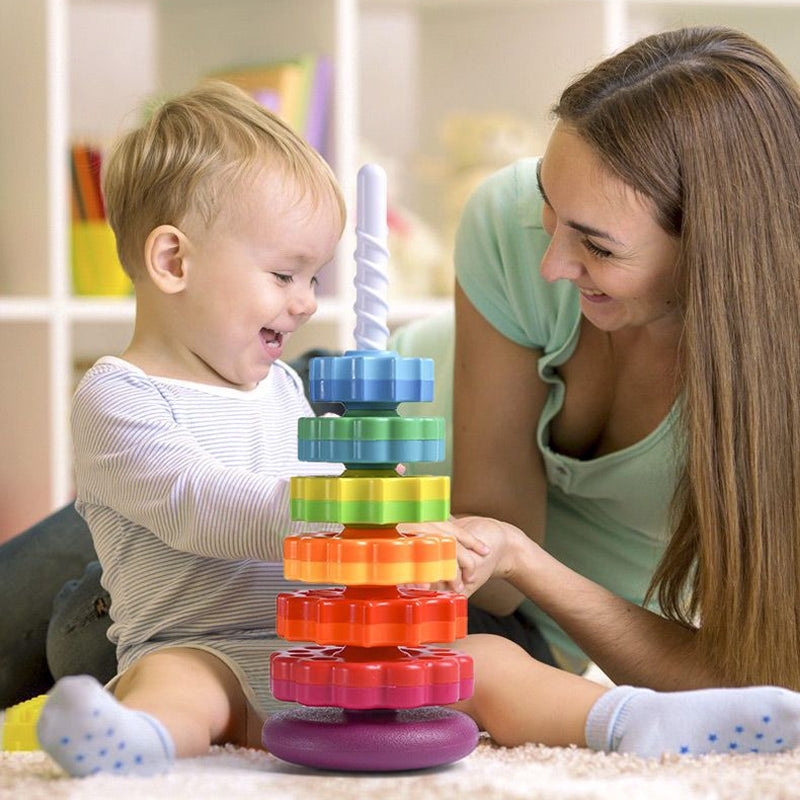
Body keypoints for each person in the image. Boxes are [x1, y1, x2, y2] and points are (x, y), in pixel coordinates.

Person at [396, 24, 800, 754]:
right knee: (178, 613)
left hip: (516, 636)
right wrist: (501, 559)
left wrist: (524, 560)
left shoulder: (780, 384)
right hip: (348, 457)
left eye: (598, 246)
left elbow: (758, 686)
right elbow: (484, 576)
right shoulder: (509, 221)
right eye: (549, 202)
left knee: (438, 673)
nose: (550, 261)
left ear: (711, 252)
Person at [33, 81, 350, 776]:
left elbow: (335, 506)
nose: (304, 304)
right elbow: (197, 505)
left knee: (493, 663)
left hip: (321, 651)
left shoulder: (283, 387)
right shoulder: (118, 397)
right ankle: (129, 739)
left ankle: (620, 715)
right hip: (203, 647)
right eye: (284, 274)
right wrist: (331, 510)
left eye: (314, 279)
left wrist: (389, 531)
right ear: (173, 262)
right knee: (179, 687)